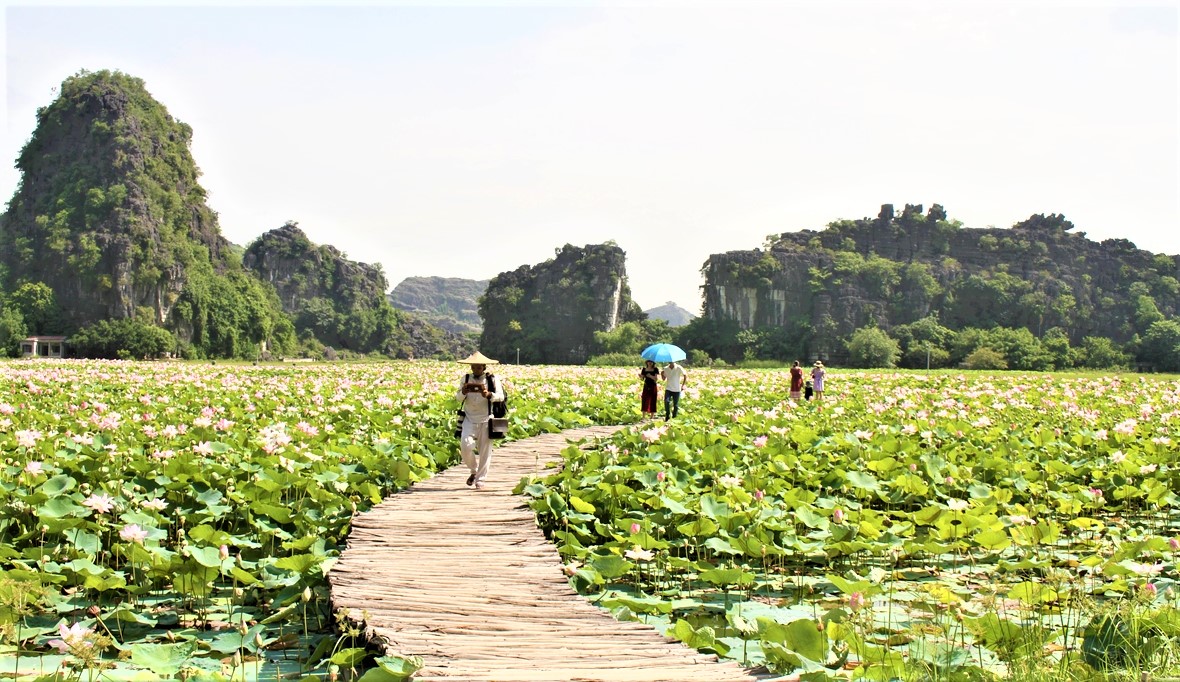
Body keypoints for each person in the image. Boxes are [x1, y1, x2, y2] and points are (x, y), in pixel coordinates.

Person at [455, 351, 505, 489]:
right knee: (465, 446)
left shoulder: (492, 379)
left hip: (486, 419)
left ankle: (480, 479)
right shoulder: (465, 379)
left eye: (478, 367)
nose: (476, 369)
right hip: (469, 418)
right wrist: (464, 392)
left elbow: (501, 397)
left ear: (484, 367)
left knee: (485, 451)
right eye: (473, 367)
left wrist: (488, 394)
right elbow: (458, 398)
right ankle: (473, 470)